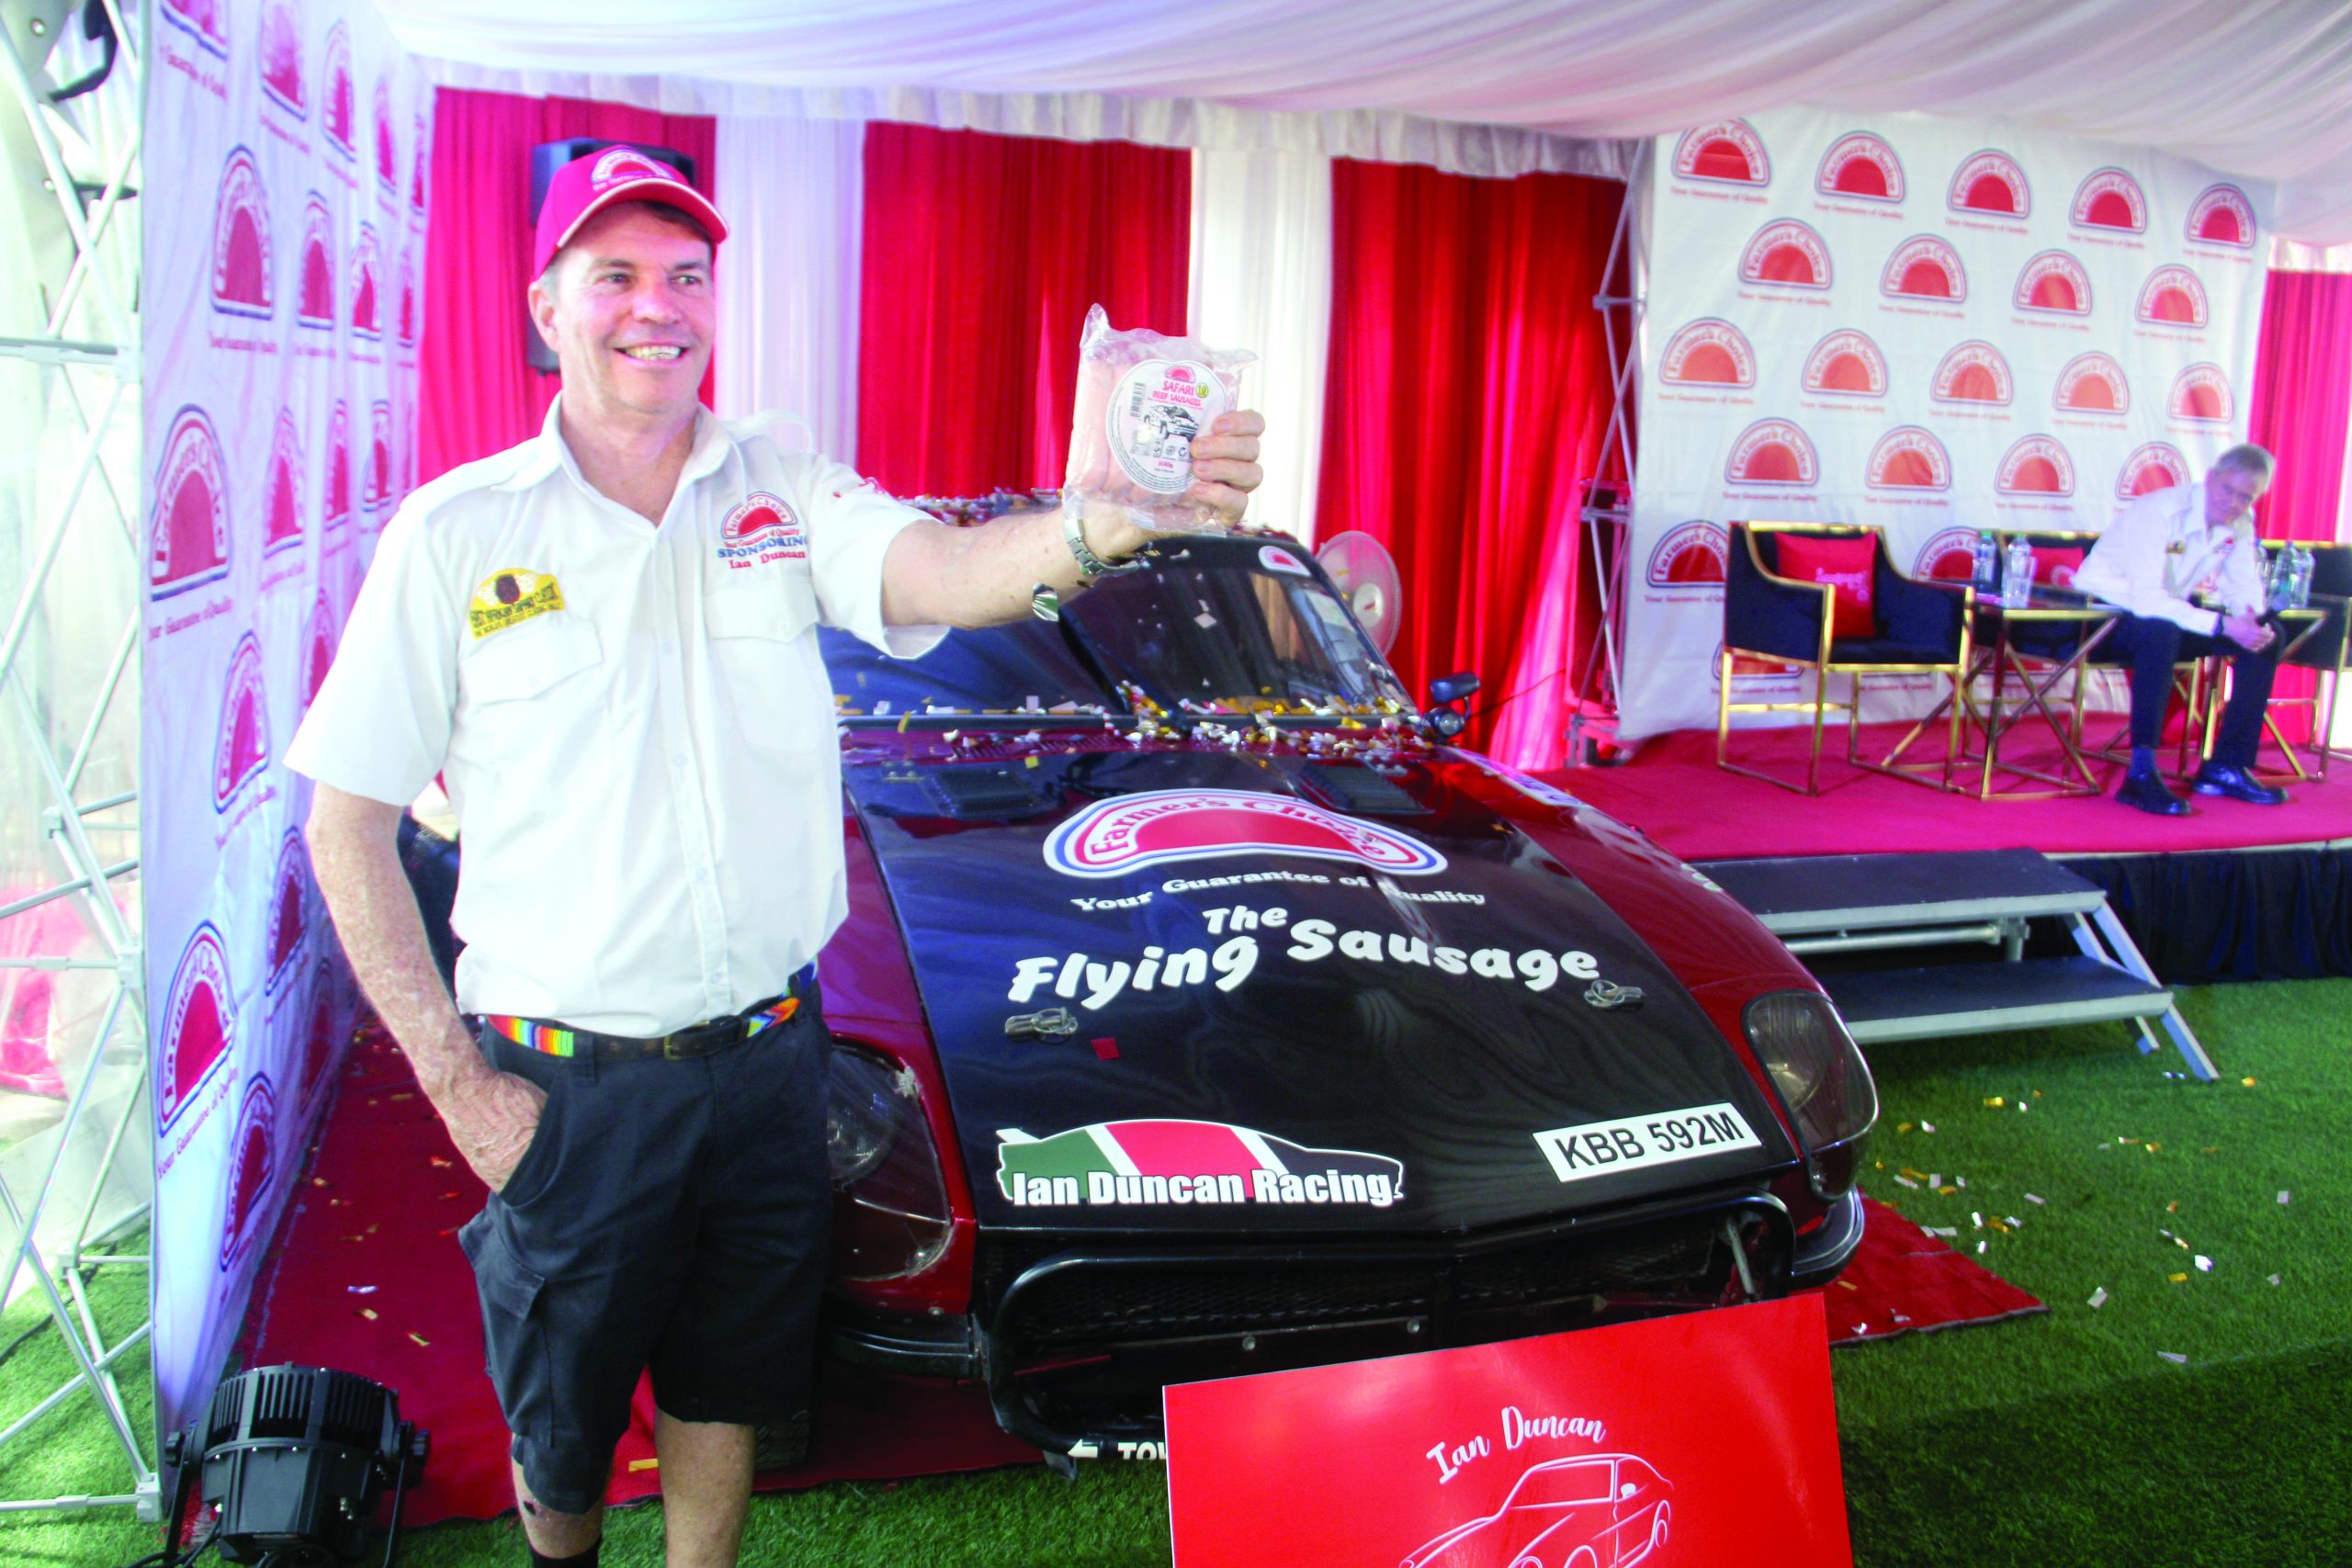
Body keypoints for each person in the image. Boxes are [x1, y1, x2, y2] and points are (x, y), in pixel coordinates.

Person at [287, 146, 1262, 1568]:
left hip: (766, 1058)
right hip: (566, 1079)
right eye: (615, 274)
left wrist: (1110, 520)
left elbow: (936, 570)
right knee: (558, 1418)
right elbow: (346, 825)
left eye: (686, 275)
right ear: (547, 307)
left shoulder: (780, 486)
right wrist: (460, 1084)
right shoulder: (457, 534)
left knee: (729, 1372)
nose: (656, 305)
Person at [2073, 444, 2287, 816]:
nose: (2234, 504)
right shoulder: (2158, 511)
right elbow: (2147, 598)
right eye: (2228, 491)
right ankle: (2140, 774)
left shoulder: (2240, 521)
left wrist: (2250, 619)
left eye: (2245, 497)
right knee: (2161, 632)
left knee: (2269, 638)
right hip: (2102, 618)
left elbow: (2241, 583)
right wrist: (2222, 623)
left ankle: (2226, 765)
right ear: (2210, 479)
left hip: (2167, 611)